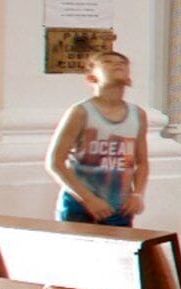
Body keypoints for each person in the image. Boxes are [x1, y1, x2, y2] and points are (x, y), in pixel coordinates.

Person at [48, 49, 150, 225]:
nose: (117, 64)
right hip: (80, 206)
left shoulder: (138, 114)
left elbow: (141, 162)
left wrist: (137, 194)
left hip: (119, 207)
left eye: (122, 63)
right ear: (92, 78)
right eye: (107, 62)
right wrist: (88, 199)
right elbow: (55, 162)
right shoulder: (81, 112)